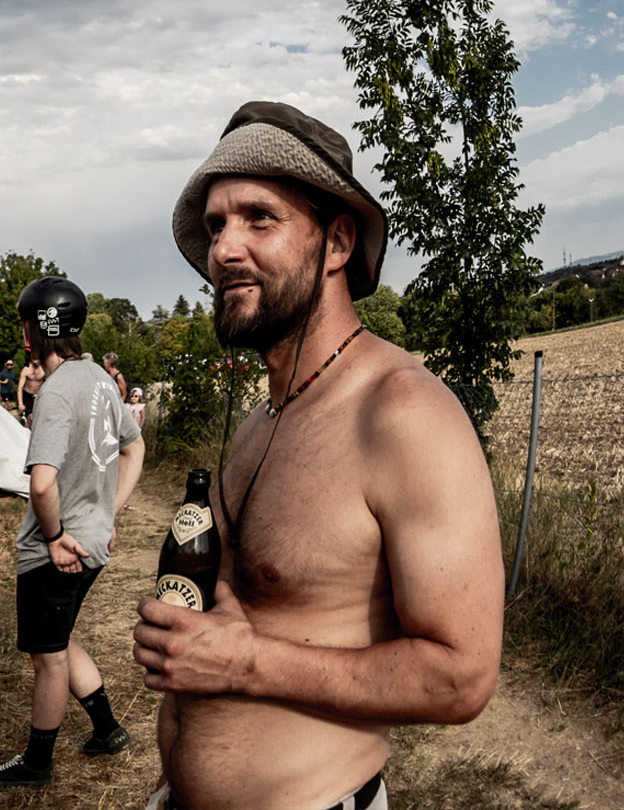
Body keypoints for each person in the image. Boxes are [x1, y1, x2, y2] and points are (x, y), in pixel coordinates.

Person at [133, 101, 503, 810]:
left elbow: (462, 677)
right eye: (216, 225)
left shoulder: (402, 412)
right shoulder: (263, 417)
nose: (224, 249)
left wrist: (244, 661)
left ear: (336, 243)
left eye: (258, 218)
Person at [0, 276, 146, 789]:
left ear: (32, 331)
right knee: (60, 640)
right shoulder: (100, 379)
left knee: (47, 657)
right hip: (93, 540)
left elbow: (43, 483)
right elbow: (134, 447)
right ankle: (107, 730)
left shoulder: (54, 392)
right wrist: (108, 513)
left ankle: (37, 763)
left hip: (58, 550)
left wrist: (53, 538)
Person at [17, 355, 46, 422]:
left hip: (39, 396)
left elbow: (50, 384)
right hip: (27, 395)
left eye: (37, 359)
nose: (35, 361)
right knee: (29, 418)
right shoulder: (26, 369)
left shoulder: (44, 369)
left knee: (38, 418)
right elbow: (20, 388)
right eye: (34, 359)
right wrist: (20, 403)